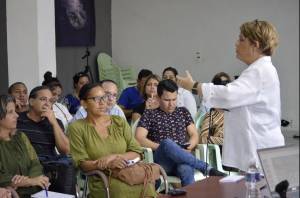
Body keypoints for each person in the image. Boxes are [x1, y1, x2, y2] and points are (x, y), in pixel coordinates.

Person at [177, 19, 285, 172]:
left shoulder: (260, 71)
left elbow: (228, 95)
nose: (236, 43)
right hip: (258, 150)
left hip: (260, 151)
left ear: (255, 45)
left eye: (241, 39)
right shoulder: (259, 70)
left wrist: (194, 86)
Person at [67, 83, 157, 198]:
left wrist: (114, 157)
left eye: (104, 97)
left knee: (147, 187)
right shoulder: (77, 127)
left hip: (128, 173)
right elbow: (82, 164)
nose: (102, 102)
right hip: (102, 179)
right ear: (84, 103)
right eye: (96, 99)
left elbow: (137, 152)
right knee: (120, 191)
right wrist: (107, 164)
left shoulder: (119, 122)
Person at [135, 79, 225, 187]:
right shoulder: (150, 114)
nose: (171, 104)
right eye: (167, 100)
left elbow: (194, 135)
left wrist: (189, 147)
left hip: (182, 158)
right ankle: (206, 168)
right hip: (162, 161)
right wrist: (163, 147)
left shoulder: (183, 112)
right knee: (167, 143)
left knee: (185, 168)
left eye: (174, 99)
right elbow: (139, 138)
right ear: (158, 98)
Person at [16, 86, 76, 195]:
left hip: (50, 166)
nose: (47, 103)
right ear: (31, 101)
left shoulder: (55, 122)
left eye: (50, 101)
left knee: (67, 166)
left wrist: (53, 122)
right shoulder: (17, 120)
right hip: (26, 166)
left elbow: (65, 150)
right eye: (43, 99)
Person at [0, 94, 49, 198]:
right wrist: (30, 181)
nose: (17, 115)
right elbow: (2, 176)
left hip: (34, 192)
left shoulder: (21, 136)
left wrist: (32, 180)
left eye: (15, 111)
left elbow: (35, 162)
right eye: (10, 112)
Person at [199, 72, 232, 152]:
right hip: (223, 152)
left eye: (226, 85)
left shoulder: (236, 111)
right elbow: (203, 139)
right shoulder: (211, 114)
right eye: (220, 85)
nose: (223, 89)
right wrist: (226, 142)